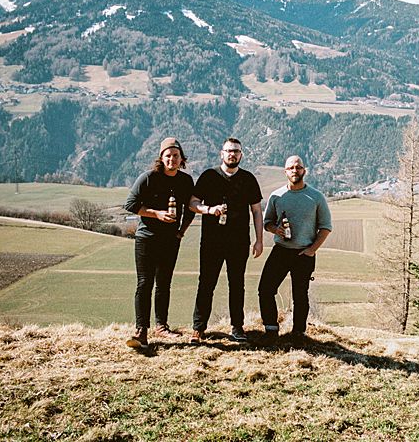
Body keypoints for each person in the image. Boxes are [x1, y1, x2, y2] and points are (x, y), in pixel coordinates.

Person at [188, 138, 263, 343]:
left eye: (236, 151)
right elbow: (192, 202)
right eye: (229, 151)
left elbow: (256, 211)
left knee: (237, 285)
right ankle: (198, 328)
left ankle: (237, 328)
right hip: (212, 241)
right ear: (221, 154)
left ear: (241, 155)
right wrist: (209, 210)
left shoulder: (248, 179)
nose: (232, 154)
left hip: (238, 242)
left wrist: (259, 240)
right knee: (206, 283)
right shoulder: (209, 176)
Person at [123, 137, 195, 348]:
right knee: (145, 283)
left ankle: (161, 326)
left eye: (175, 155)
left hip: (171, 240)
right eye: (168, 156)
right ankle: (141, 330)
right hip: (146, 238)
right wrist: (157, 214)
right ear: (161, 158)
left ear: (182, 158)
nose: (172, 159)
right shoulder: (148, 178)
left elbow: (189, 210)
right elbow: (130, 205)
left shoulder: (185, 181)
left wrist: (181, 232)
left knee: (164, 283)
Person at [258, 155, 332, 344]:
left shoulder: (316, 197)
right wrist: (276, 229)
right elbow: (267, 222)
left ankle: (298, 333)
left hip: (304, 252)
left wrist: (312, 250)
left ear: (304, 170)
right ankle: (271, 329)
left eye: (298, 167)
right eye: (290, 168)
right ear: (285, 172)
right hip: (281, 250)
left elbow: (325, 227)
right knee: (265, 289)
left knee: (300, 295)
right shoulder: (276, 196)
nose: (294, 170)